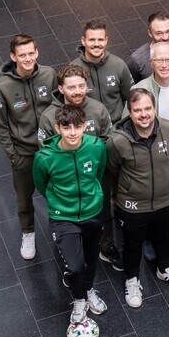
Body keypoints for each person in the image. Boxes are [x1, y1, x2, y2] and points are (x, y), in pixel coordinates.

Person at [107, 88, 169, 309]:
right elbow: (113, 170)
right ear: (130, 112)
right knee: (132, 245)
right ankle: (132, 279)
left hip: (166, 200)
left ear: (154, 108)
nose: (144, 114)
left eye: (147, 108)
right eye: (137, 110)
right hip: (133, 206)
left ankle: (165, 269)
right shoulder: (117, 142)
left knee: (163, 238)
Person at [33, 105, 108, 324]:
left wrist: (95, 196)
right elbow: (41, 183)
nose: (73, 132)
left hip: (92, 212)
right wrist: (59, 203)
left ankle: (89, 289)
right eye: (67, 128)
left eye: (77, 127)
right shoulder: (45, 157)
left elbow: (99, 172)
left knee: (91, 258)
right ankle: (79, 299)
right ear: (58, 129)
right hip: (63, 216)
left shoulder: (96, 147)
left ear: (85, 126)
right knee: (75, 266)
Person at [0, 34, 56, 260]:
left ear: (36, 52)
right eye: (22, 55)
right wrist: (13, 156)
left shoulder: (49, 74)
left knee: (56, 190)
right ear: (13, 57)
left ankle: (59, 227)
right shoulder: (2, 86)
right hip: (23, 153)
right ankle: (28, 232)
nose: (27, 58)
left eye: (31, 53)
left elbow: (59, 106)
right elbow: (0, 125)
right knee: (24, 196)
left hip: (51, 149)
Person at [69, 19, 136, 125]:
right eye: (91, 40)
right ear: (83, 41)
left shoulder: (119, 65)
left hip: (117, 128)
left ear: (106, 40)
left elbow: (131, 97)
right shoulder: (73, 69)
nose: (96, 44)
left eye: (100, 40)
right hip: (87, 131)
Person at [37, 65, 112, 144]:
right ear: (61, 89)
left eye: (81, 86)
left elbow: (108, 141)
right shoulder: (49, 116)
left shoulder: (98, 109)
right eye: (71, 87)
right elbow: (46, 150)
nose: (78, 92)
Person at [128, 11, 169, 81]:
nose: (165, 37)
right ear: (150, 33)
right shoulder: (137, 60)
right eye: (159, 33)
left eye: (168, 31)